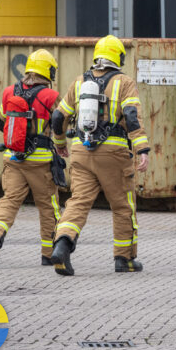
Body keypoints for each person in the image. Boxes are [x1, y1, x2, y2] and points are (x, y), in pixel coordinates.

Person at [49, 35, 150, 276]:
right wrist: (141, 149)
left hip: (82, 151)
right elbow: (132, 117)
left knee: (78, 202)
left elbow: (58, 117)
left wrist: (60, 143)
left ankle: (62, 245)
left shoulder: (80, 81)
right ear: (119, 58)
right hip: (113, 154)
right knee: (123, 206)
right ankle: (123, 260)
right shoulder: (124, 82)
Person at [0, 49, 63, 269]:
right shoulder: (50, 96)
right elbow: (61, 121)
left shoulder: (9, 91)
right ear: (48, 71)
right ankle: (49, 253)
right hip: (40, 161)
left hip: (13, 158)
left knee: (9, 201)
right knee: (49, 206)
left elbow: (0, 122)